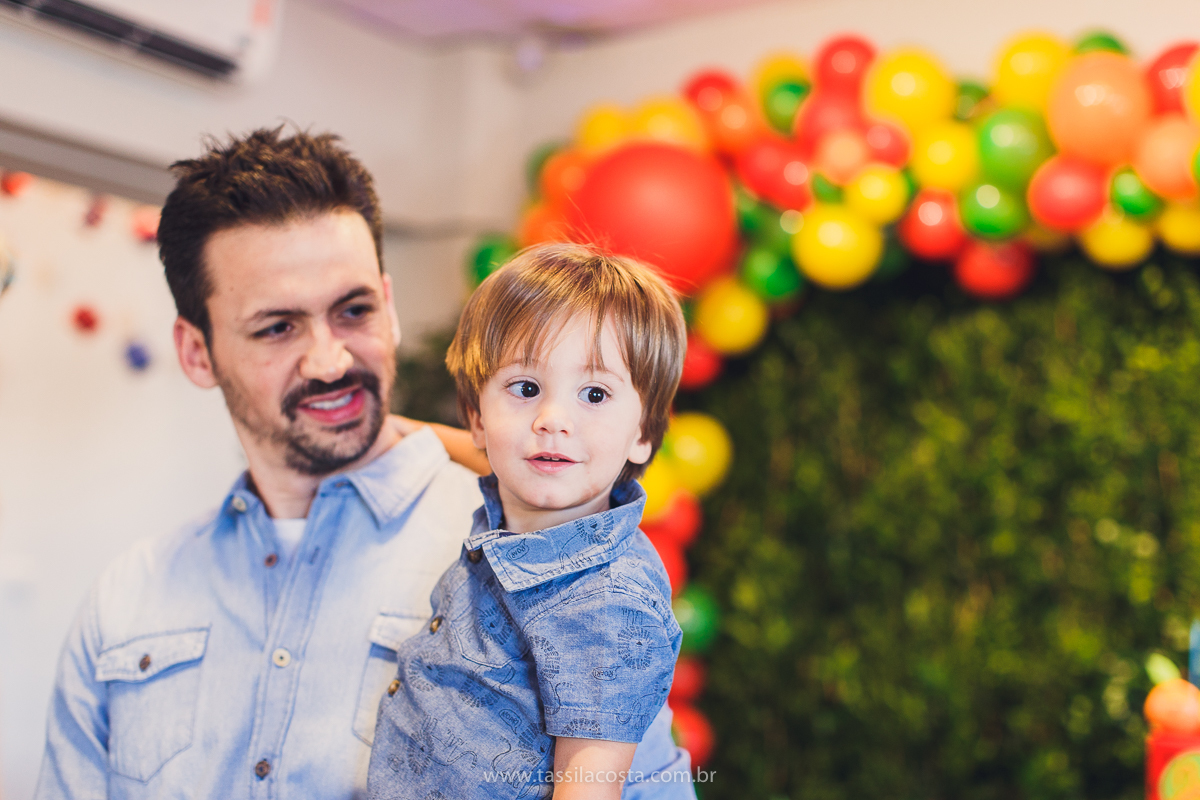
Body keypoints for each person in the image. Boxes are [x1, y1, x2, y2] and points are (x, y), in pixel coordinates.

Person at [34, 128, 692, 799]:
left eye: (353, 311)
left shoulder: (542, 559)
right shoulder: (127, 600)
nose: (329, 361)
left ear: (390, 306)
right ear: (197, 352)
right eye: (277, 327)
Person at [367, 243, 689, 800]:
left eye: (594, 393)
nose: (552, 420)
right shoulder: (529, 501)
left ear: (643, 434)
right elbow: (491, 451)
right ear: (477, 417)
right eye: (525, 388)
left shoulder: (608, 602)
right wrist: (394, 431)